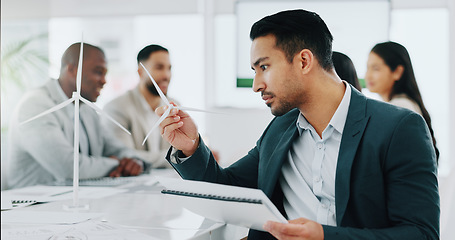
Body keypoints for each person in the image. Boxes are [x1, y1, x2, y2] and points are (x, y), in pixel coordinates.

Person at [155, 9, 439, 240]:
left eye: (263, 67)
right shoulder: (281, 128)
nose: (256, 85)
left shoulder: (399, 128)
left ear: (304, 61)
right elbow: (228, 190)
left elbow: (421, 233)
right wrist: (191, 147)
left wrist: (326, 237)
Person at [7, 43, 146, 189]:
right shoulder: (35, 105)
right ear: (72, 70)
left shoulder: (86, 108)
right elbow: (68, 167)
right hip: (34, 205)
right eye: (98, 72)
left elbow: (115, 148)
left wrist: (134, 161)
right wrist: (117, 164)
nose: (104, 80)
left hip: (80, 198)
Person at [102, 44, 176, 168]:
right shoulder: (116, 108)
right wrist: (179, 158)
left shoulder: (174, 106)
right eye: (159, 68)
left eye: (169, 68)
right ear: (141, 72)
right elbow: (126, 157)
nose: (166, 75)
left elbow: (182, 149)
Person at [365, 41, 439, 161]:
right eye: (367, 68)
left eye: (376, 69)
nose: (368, 75)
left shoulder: (400, 107)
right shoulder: (400, 105)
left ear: (397, 72)